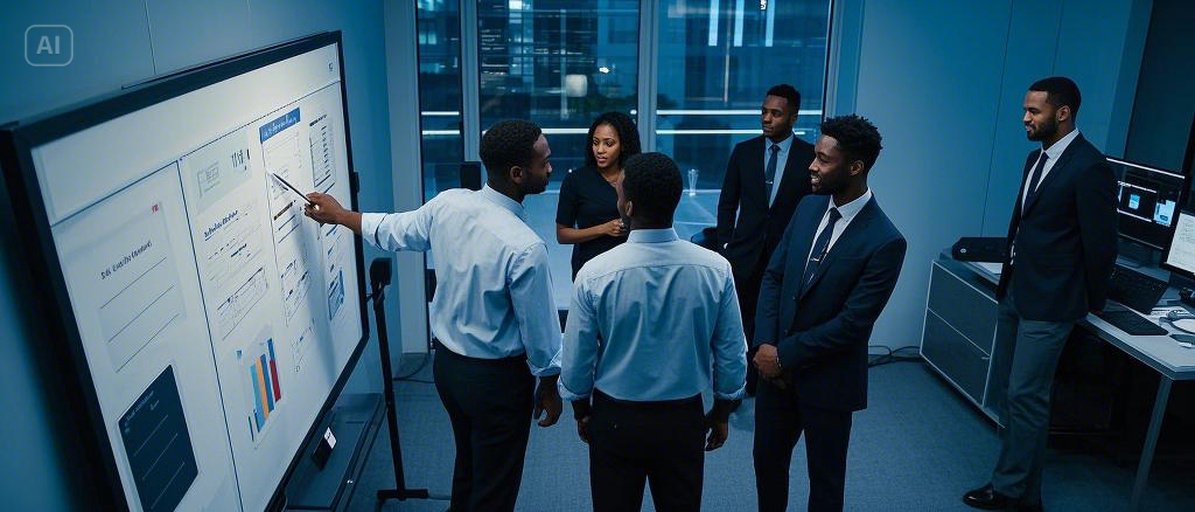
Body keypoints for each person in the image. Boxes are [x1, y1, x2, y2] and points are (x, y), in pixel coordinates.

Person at [303, 119, 564, 512]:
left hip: (447, 371)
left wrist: (342, 215)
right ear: (517, 174)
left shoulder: (449, 204)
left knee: (470, 464)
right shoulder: (526, 247)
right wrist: (549, 385)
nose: (550, 168)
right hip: (497, 382)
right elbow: (541, 335)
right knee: (496, 483)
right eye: (544, 162)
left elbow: (393, 230)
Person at [559, 152, 747, 512]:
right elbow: (731, 351)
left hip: (616, 419)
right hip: (683, 418)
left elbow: (578, 354)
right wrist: (722, 411)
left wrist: (581, 409)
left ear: (627, 206)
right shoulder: (715, 269)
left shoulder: (596, 273)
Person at [963, 77, 1117, 512]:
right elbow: (1027, 226)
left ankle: (1012, 492)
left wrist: (1089, 300)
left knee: (1026, 396)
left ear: (1062, 112)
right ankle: (1025, 493)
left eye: (1034, 111)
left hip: (1051, 303)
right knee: (1014, 394)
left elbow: (1101, 244)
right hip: (1017, 291)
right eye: (1026, 110)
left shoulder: (1090, 167)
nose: (1025, 118)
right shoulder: (1036, 159)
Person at [752, 114, 906, 512]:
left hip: (828, 382)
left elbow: (852, 325)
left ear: (855, 167)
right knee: (767, 467)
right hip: (775, 376)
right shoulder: (807, 207)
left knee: (825, 483)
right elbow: (773, 277)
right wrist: (766, 345)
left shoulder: (886, 241)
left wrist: (784, 354)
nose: (811, 165)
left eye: (823, 159)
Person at [716, 83, 816, 395]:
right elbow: (727, 201)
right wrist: (724, 243)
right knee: (740, 318)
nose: (767, 118)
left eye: (776, 113)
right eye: (764, 112)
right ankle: (742, 377)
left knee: (774, 316)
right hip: (743, 252)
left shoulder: (809, 156)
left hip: (784, 254)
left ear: (793, 117)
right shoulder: (743, 152)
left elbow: (815, 208)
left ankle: (766, 378)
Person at [556, 111, 642, 279]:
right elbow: (562, 234)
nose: (600, 150)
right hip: (590, 267)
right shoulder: (576, 180)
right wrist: (604, 229)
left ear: (623, 145)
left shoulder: (636, 177)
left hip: (630, 267)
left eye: (608, 144)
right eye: (595, 143)